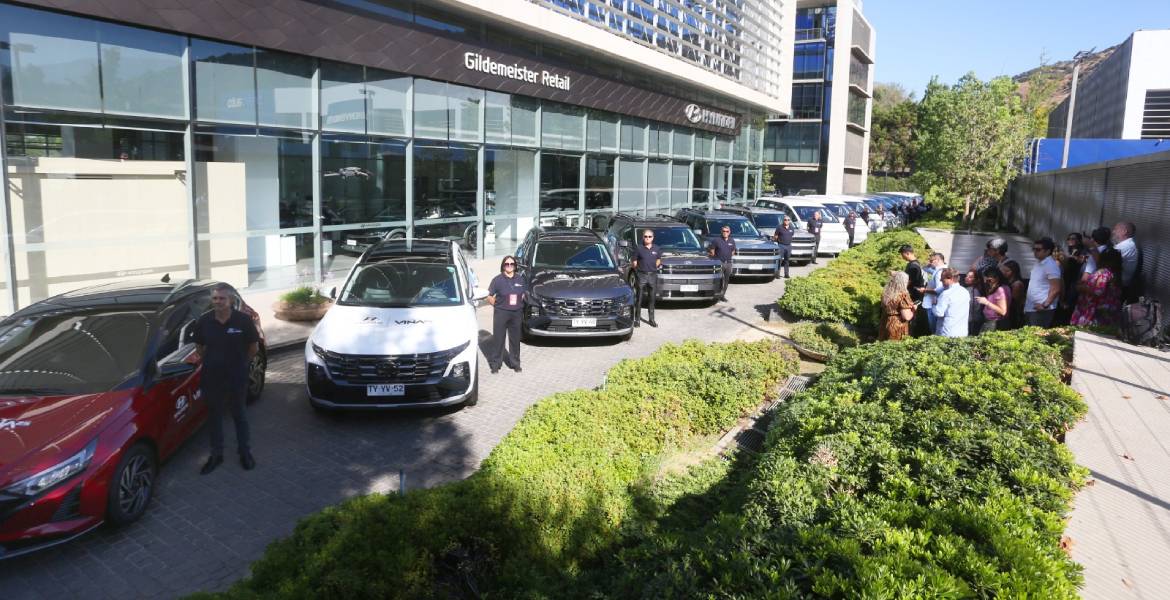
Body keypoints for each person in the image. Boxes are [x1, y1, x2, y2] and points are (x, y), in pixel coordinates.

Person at [193, 283, 260, 475]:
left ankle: (245, 452)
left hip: (236, 377)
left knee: (239, 414)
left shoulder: (243, 321)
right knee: (214, 417)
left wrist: (242, 364)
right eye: (214, 298)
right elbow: (199, 347)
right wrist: (212, 361)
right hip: (212, 377)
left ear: (230, 300)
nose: (218, 302)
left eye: (222, 298)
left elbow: (253, 347)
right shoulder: (204, 322)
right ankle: (216, 455)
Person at [486, 255, 525, 373]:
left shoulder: (520, 279)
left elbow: (523, 294)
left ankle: (515, 363)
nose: (509, 266)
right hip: (501, 313)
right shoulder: (497, 280)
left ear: (515, 266)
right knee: (498, 339)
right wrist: (497, 305)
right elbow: (489, 296)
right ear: (503, 266)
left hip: (516, 313)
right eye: (507, 264)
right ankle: (495, 364)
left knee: (515, 339)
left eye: (511, 264)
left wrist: (518, 304)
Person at [1071, 248, 1123, 327]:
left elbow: (1098, 292)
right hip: (1107, 311)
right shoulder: (1115, 274)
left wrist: (1083, 288)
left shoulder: (1104, 273)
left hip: (1094, 312)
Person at [1024, 237, 1063, 328]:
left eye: (1038, 249)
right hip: (1031, 307)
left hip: (1041, 309)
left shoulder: (1051, 265)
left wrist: (1045, 305)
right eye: (1034, 249)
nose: (1035, 252)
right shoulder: (1038, 262)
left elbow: (1056, 288)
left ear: (1048, 251)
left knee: (1036, 337)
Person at [632, 229, 662, 327]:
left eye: (649, 236)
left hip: (652, 275)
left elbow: (658, 260)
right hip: (642, 275)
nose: (647, 238)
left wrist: (654, 267)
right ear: (643, 237)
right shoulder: (639, 248)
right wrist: (639, 271)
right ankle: (637, 320)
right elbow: (634, 262)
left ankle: (651, 320)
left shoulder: (657, 248)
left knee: (652, 298)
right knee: (639, 298)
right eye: (645, 236)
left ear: (653, 238)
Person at [933, 268, 971, 338]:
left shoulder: (945, 294)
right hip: (962, 332)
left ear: (950, 279)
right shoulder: (965, 291)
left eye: (942, 279)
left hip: (947, 333)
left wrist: (934, 304)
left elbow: (938, 313)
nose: (940, 280)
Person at [878, 271, 915, 341]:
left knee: (883, 345)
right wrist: (913, 310)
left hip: (885, 321)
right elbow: (906, 316)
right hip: (896, 325)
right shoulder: (903, 295)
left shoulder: (886, 293)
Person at [900, 245, 927, 335]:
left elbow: (908, 282)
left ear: (907, 253)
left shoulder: (913, 267)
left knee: (910, 317)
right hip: (914, 295)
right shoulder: (915, 263)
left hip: (914, 296)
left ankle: (909, 334)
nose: (902, 257)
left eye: (902, 254)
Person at [975, 267, 1010, 333]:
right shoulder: (1003, 287)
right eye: (985, 280)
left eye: (989, 280)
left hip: (994, 323)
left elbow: (1003, 311)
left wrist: (986, 302)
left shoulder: (1000, 290)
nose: (986, 282)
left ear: (996, 278)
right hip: (991, 322)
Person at [1112, 221, 1141, 302]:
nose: (1113, 232)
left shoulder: (1127, 246)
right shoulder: (1123, 245)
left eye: (1116, 229)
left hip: (1119, 287)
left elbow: (1107, 260)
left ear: (1124, 231)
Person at [708, 225, 737, 299]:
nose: (725, 233)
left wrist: (728, 256)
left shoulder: (732, 240)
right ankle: (716, 294)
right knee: (718, 279)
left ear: (729, 232)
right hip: (719, 263)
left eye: (727, 231)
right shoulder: (716, 240)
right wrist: (717, 260)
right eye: (724, 231)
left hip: (728, 263)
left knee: (726, 280)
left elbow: (733, 251)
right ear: (721, 232)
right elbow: (712, 252)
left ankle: (722, 295)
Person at [922, 252, 947, 333]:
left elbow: (939, 289)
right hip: (933, 303)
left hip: (933, 303)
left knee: (935, 329)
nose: (930, 262)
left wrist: (924, 290)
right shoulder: (939, 270)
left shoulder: (940, 272)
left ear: (938, 260)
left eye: (932, 260)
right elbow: (925, 269)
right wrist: (929, 265)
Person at [1000, 259, 1027, 330]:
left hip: (1014, 313)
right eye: (1003, 270)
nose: (1004, 273)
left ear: (1014, 272)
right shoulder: (1006, 281)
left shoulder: (1016, 284)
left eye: (1007, 271)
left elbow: (1014, 301)